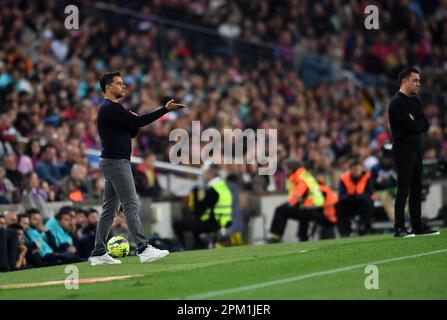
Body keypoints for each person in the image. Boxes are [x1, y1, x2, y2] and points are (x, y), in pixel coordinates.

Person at [90, 71, 186, 265]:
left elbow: (132, 131)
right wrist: (164, 110)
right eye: (119, 83)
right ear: (108, 88)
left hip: (113, 162)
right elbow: (138, 122)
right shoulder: (111, 108)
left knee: (110, 208)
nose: (123, 86)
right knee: (131, 204)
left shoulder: (113, 109)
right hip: (116, 162)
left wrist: (133, 122)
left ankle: (98, 252)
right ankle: (143, 249)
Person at [388, 67, 440, 237]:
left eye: (419, 80)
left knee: (416, 189)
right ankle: (399, 227)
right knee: (403, 189)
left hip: (416, 149)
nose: (419, 84)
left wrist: (416, 125)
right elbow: (412, 126)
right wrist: (416, 125)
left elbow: (424, 124)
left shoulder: (415, 102)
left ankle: (417, 227)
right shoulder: (396, 102)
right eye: (415, 80)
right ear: (404, 81)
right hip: (403, 151)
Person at [173, 165, 233, 249]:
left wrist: (195, 197)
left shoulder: (212, 189)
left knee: (178, 224)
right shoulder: (223, 186)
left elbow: (199, 210)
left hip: (213, 223)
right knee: (194, 225)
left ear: (211, 174)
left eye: (205, 173)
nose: (204, 175)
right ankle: (200, 245)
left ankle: (184, 249)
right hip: (223, 222)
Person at [268, 159, 325, 242]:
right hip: (314, 206)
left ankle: (276, 237)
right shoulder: (302, 175)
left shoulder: (300, 178)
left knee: (281, 210)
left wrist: (290, 204)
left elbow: (298, 194)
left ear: (291, 169)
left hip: (312, 207)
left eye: (286, 169)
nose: (284, 171)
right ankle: (302, 237)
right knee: (293, 211)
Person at [336, 158, 374, 237]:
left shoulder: (367, 177)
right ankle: (345, 232)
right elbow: (341, 195)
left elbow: (369, 193)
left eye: (358, 168)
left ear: (361, 168)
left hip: (363, 203)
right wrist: (352, 197)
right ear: (350, 169)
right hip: (350, 203)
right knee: (339, 205)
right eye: (354, 169)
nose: (356, 171)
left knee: (368, 202)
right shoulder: (344, 178)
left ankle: (366, 229)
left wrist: (357, 197)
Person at [371, 143, 397, 221]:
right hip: (379, 191)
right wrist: (378, 181)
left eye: (389, 158)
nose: (387, 160)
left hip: (394, 190)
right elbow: (372, 185)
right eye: (386, 157)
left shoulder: (395, 167)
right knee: (386, 197)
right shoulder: (376, 168)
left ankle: (408, 218)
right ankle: (395, 220)